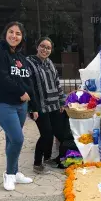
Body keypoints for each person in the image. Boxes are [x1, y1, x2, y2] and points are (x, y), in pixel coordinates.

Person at [0, 21, 38, 191]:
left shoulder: (21, 57)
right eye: (11, 32)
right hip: (2, 103)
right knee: (17, 139)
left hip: (20, 105)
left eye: (18, 33)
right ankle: (8, 174)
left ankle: (15, 172)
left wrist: (33, 105)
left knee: (11, 138)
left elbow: (28, 81)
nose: (14, 36)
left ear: (22, 37)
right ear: (5, 33)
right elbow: (0, 77)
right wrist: (20, 92)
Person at [27, 37, 67, 174]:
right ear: (37, 47)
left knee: (58, 132)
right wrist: (32, 108)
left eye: (48, 48)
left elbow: (57, 83)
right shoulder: (29, 63)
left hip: (54, 105)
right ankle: (37, 163)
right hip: (39, 107)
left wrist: (62, 102)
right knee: (46, 135)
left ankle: (48, 158)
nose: (45, 50)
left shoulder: (50, 63)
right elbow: (29, 87)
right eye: (42, 46)